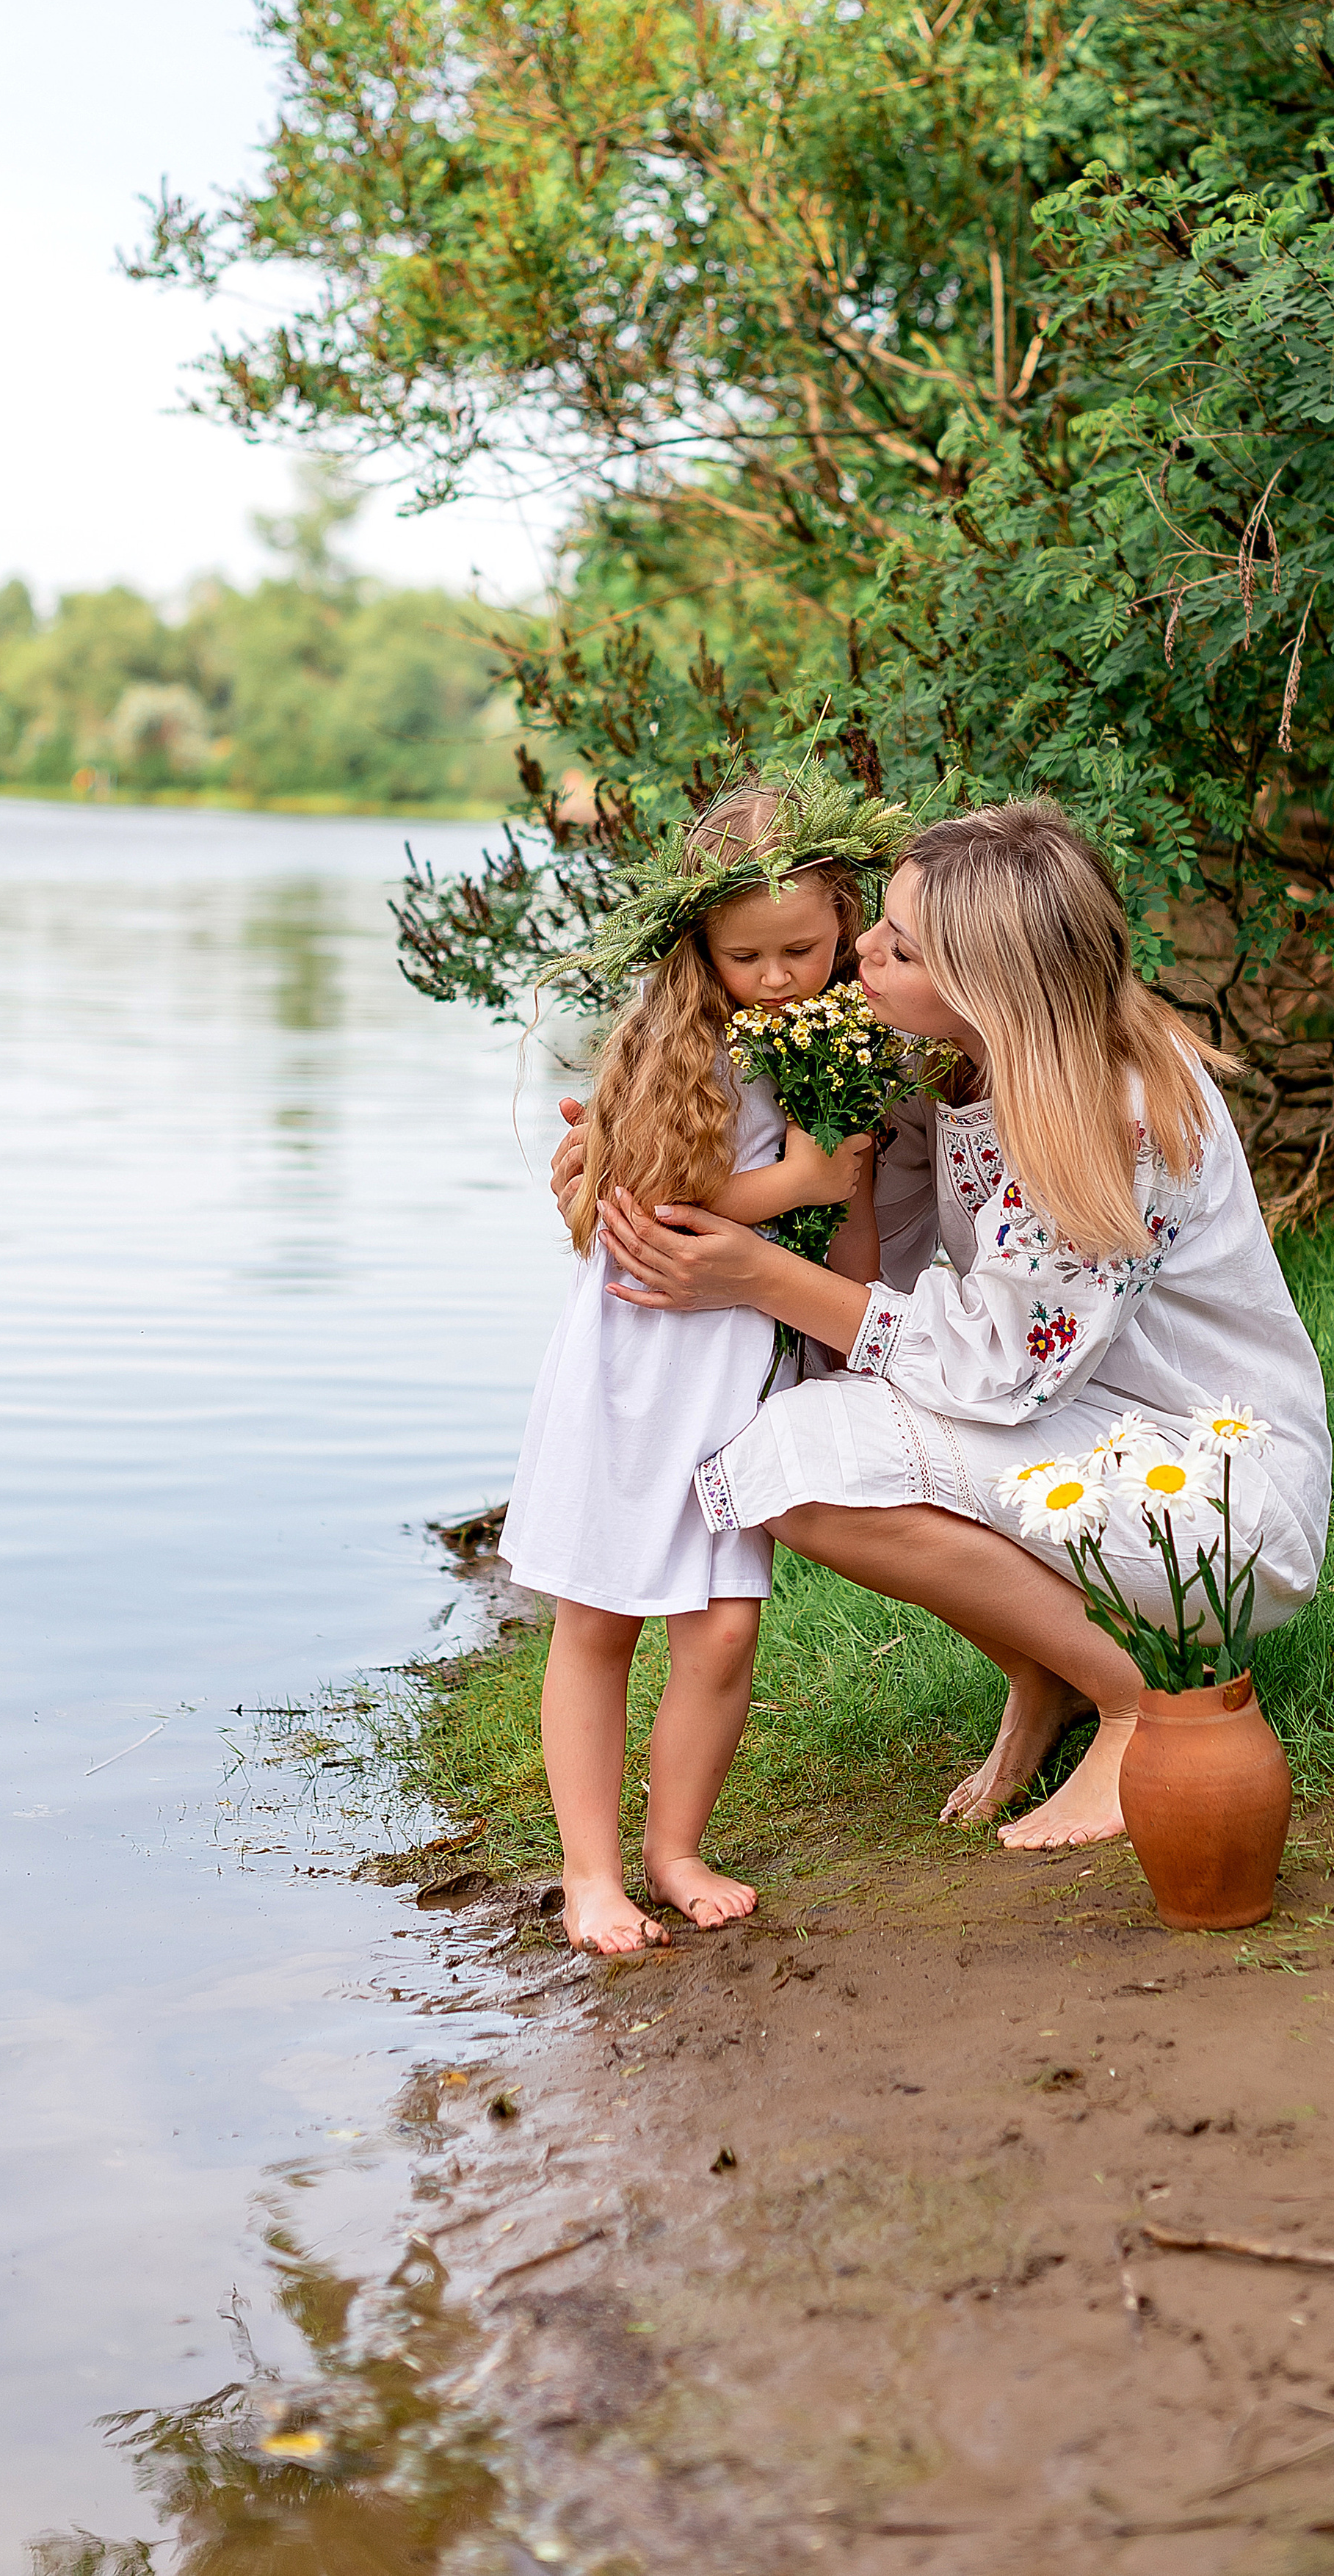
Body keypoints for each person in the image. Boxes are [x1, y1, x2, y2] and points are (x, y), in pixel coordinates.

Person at [573, 798, 1332, 1851]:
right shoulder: (946, 1056)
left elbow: (994, 1370)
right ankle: (1049, 1671)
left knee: (799, 1460)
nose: (862, 956)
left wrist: (751, 1275)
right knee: (794, 1439)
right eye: (877, 926)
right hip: (1068, 1428)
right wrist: (631, 1162)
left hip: (1210, 1486)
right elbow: (848, 1256)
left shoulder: (1116, 1113)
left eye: (900, 948)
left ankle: (1136, 1705)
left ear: (989, 984)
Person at [502, 788, 879, 1955]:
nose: (774, 977)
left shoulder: (835, 1035)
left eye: (801, 950)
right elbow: (640, 1192)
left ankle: (674, 1846)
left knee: (721, 1629)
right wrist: (804, 1186)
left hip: (736, 1359)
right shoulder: (680, 1039)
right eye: (745, 955)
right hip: (639, 1351)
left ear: (845, 923)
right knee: (602, 1615)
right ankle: (591, 1874)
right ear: (698, 948)